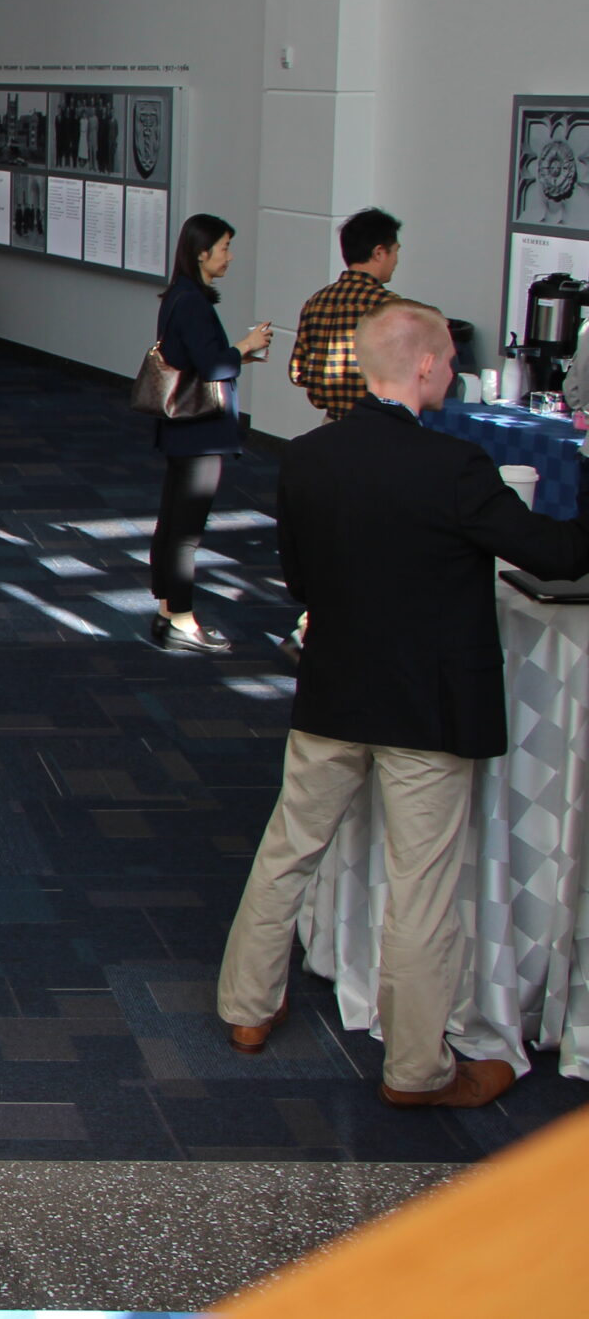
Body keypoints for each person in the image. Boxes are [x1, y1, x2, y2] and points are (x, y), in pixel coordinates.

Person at [218, 299, 589, 1109]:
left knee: (288, 849)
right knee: (421, 889)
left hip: (334, 691)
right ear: (422, 366)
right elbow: (556, 556)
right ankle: (417, 1068)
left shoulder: (308, 457)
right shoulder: (455, 467)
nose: (454, 372)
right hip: (427, 708)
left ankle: (245, 1008)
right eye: (450, 361)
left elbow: (301, 581)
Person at [150, 214, 274, 653]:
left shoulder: (176, 297)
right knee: (186, 531)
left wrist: (236, 353)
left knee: (173, 521)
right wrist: (246, 345)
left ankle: (168, 611)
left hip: (182, 428)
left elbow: (195, 358)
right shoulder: (194, 303)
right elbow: (214, 366)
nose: (229, 256)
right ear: (202, 253)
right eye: (224, 247)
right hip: (200, 432)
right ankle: (182, 620)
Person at [290, 208, 403, 420]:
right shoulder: (389, 306)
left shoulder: (316, 301)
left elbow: (298, 372)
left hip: (331, 424)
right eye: (395, 251)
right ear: (379, 252)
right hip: (375, 424)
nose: (396, 260)